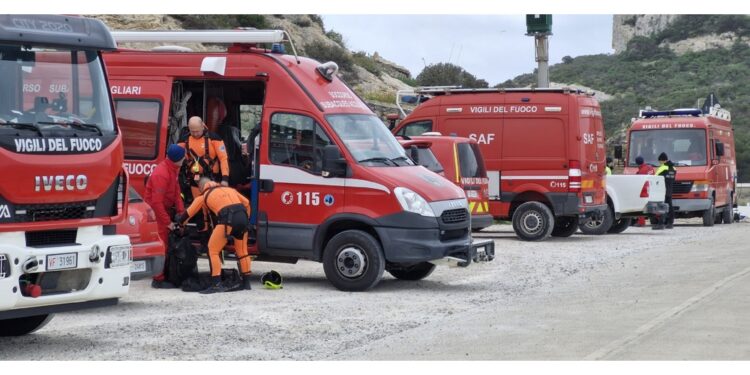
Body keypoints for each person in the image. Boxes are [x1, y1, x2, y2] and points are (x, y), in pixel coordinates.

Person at [175, 177, 253, 294]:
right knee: (242, 251)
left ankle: (216, 284)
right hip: (242, 218)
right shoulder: (229, 190)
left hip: (227, 220)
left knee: (213, 250)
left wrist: (180, 223)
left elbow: (189, 213)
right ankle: (246, 283)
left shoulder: (204, 196)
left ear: (202, 188)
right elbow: (246, 203)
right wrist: (246, 218)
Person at [144, 144, 186, 287]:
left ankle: (164, 273)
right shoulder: (161, 173)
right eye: (183, 156)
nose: (185, 158)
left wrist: (182, 214)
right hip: (156, 214)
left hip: (163, 211)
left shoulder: (173, 169)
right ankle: (158, 279)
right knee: (161, 244)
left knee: (166, 244)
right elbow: (156, 203)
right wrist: (168, 222)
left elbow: (176, 192)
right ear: (178, 159)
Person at [653, 152, 677, 230]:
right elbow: (673, 179)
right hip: (670, 189)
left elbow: (655, 178)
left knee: (661, 206)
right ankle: (670, 223)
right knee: (670, 206)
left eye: (660, 161)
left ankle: (660, 224)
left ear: (662, 160)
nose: (659, 163)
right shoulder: (673, 168)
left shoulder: (662, 168)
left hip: (662, 190)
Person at [633, 156, 655, 227]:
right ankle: (658, 220)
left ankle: (641, 222)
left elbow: (639, 182)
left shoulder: (641, 171)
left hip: (644, 190)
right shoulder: (650, 167)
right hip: (652, 188)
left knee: (641, 205)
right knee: (654, 205)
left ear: (637, 163)